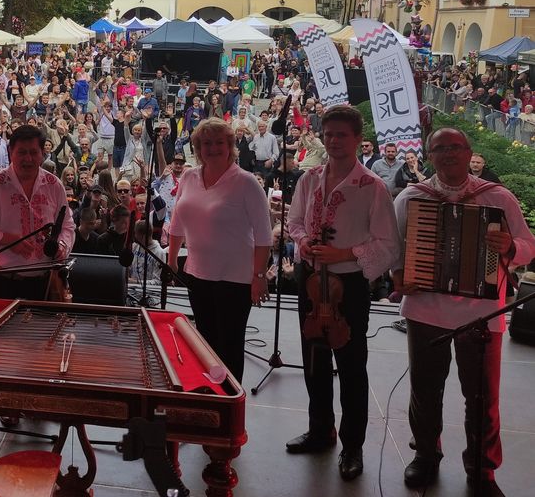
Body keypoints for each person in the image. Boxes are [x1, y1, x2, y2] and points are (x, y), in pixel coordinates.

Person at [392, 128, 535, 497]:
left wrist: (509, 246)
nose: (448, 153)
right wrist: (398, 274)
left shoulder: (497, 196)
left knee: (482, 396)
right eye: (439, 148)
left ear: (469, 152)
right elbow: (393, 247)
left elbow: (528, 246)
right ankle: (425, 455)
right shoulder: (412, 197)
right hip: (426, 309)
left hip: (482, 313)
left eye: (455, 147)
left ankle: (482, 469)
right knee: (425, 390)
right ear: (429, 156)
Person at [285, 105, 401, 481]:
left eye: (341, 135)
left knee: (351, 366)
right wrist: (303, 241)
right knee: (314, 360)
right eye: (328, 134)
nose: (334, 140)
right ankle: (320, 430)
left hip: (348, 287)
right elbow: (295, 221)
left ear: (357, 139)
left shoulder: (372, 186)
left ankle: (353, 445)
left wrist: (345, 254)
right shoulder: (309, 179)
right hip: (310, 279)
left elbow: (388, 244)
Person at [167, 119, 273, 384]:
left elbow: (264, 236)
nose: (213, 148)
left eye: (219, 143)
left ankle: (230, 400)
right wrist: (172, 260)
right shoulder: (189, 177)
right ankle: (209, 395)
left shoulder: (246, 182)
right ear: (198, 148)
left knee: (229, 346)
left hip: (235, 279)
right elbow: (177, 221)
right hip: (197, 274)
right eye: (206, 143)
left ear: (230, 146)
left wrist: (259, 276)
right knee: (204, 342)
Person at [0, 124, 75, 300]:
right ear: (10, 152)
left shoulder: (54, 185)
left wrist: (62, 246)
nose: (28, 159)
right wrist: (7, 239)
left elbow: (67, 225)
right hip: (5, 283)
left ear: (42, 153)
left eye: (33, 152)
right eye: (22, 152)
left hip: (47, 283)